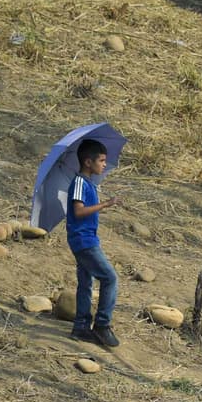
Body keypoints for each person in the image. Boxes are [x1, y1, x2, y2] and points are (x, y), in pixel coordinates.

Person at [66, 139, 120, 348]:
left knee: (86, 283)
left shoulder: (89, 184)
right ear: (88, 162)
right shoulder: (79, 182)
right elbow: (78, 211)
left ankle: (80, 327)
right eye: (102, 160)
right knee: (110, 278)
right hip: (83, 241)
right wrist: (105, 204)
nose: (104, 164)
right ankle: (102, 325)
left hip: (86, 238)